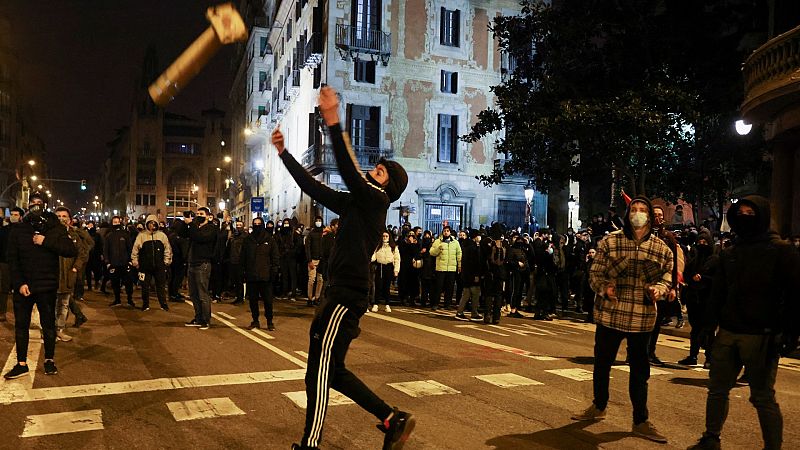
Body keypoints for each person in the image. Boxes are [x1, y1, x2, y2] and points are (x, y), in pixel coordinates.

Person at [274, 85, 414, 450]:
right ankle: (391, 418)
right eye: (377, 168)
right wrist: (285, 154)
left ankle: (310, 444)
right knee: (331, 372)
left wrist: (334, 122)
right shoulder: (358, 203)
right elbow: (314, 188)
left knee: (318, 373)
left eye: (380, 171)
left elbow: (351, 171)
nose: (372, 170)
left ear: (389, 186)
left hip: (345, 296)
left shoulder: (376, 200)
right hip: (338, 294)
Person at [689, 196, 800, 450]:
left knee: (762, 397)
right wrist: (709, 326)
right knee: (717, 390)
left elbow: (795, 295)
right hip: (728, 333)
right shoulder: (731, 253)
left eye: (751, 213)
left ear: (761, 215)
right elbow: (719, 293)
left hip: (762, 336)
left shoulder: (781, 251)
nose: (744, 218)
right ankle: (710, 438)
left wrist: (790, 333)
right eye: (741, 213)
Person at [572, 196, 673, 444]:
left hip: (642, 317)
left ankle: (640, 420)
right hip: (611, 314)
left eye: (643, 210)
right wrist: (605, 288)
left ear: (650, 216)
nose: (638, 214)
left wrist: (659, 289)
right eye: (634, 210)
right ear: (627, 214)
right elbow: (594, 274)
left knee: (640, 371)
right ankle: (599, 405)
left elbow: (667, 276)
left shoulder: (661, 249)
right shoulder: (610, 241)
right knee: (602, 363)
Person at [3, 194, 77, 379]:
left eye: (39, 204)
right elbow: (13, 258)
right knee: (21, 326)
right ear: (28, 206)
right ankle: (21, 364)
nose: (36, 206)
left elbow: (70, 250)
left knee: (48, 325)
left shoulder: (55, 227)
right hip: (24, 287)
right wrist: (19, 283)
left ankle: (49, 360)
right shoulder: (19, 229)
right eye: (33, 204)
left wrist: (46, 241)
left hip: (47, 285)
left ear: (45, 205)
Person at [678, 230, 717, 367]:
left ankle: (710, 358)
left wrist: (703, 278)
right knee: (695, 329)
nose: (702, 245)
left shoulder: (714, 259)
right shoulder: (693, 257)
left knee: (708, 329)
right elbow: (686, 273)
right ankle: (693, 355)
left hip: (708, 299)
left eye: (705, 243)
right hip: (694, 298)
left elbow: (717, 278)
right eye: (700, 242)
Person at [54, 207, 90, 342]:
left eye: (64, 216)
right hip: (52, 275)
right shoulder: (50, 234)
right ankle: (49, 331)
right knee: (50, 305)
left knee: (63, 305)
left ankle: (60, 330)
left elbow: (82, 253)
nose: (61, 219)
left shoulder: (74, 235)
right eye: (58, 216)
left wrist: (75, 267)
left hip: (68, 275)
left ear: (69, 220)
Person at [241, 217, 280, 330]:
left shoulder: (270, 239)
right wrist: (243, 272)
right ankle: (255, 320)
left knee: (268, 300)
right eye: (255, 224)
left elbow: (275, 256)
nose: (257, 226)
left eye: (259, 224)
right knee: (253, 300)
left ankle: (269, 321)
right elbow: (243, 257)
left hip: (265, 275)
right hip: (252, 275)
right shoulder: (248, 240)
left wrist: (274, 271)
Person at [131, 215, 173, 312]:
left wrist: (166, 261)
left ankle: (163, 304)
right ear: (147, 224)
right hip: (145, 267)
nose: (152, 225)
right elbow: (135, 250)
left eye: (154, 223)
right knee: (145, 287)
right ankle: (145, 304)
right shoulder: (141, 236)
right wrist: (135, 262)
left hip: (159, 266)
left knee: (161, 286)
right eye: (150, 223)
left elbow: (168, 249)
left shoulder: (162, 236)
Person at [185, 207, 217, 329]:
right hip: (192, 263)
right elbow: (184, 234)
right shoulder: (194, 228)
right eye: (197, 214)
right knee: (193, 294)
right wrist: (187, 223)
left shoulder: (211, 229)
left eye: (201, 214)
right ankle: (198, 317)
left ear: (208, 216)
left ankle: (206, 320)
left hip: (202, 264)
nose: (199, 216)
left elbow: (200, 238)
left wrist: (192, 224)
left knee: (202, 294)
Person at [429, 225, 462, 311]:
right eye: (445, 231)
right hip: (441, 268)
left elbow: (459, 254)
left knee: (449, 287)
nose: (446, 232)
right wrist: (438, 249)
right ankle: (435, 303)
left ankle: (447, 304)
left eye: (448, 231)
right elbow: (432, 252)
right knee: (438, 287)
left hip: (451, 268)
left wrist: (459, 265)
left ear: (450, 232)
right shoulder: (438, 241)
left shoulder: (455, 242)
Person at [104, 216, 134, 307]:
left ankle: (129, 299)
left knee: (128, 282)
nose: (116, 223)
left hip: (125, 263)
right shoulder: (109, 236)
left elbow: (130, 248)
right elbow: (106, 250)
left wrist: (130, 260)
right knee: (115, 283)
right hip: (114, 263)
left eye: (118, 221)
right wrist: (107, 262)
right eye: (114, 222)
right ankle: (117, 300)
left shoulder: (125, 234)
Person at [455, 229, 484, 321]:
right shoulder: (473, 247)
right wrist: (476, 275)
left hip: (466, 274)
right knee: (475, 293)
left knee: (466, 293)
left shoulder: (465, 245)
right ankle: (474, 313)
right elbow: (475, 262)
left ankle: (460, 312)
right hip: (472, 274)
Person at [0, 207, 23, 322]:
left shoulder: (24, 230)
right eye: (12, 214)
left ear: (21, 217)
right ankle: (2, 312)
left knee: (19, 289)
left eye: (16, 214)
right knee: (4, 288)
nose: (14, 216)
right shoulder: (4, 230)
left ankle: (19, 314)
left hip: (20, 264)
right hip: (5, 263)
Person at [370, 230, 400, 313]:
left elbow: (397, 259)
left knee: (387, 286)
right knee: (378, 285)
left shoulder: (393, 247)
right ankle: (376, 304)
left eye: (386, 236)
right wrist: (370, 259)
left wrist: (396, 270)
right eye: (383, 236)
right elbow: (374, 256)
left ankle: (387, 304)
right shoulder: (378, 246)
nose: (385, 238)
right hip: (380, 266)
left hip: (389, 267)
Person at [305, 216, 325, 306]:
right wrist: (309, 260)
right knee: (311, 280)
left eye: (320, 221)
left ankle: (317, 298)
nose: (318, 222)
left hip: (322, 260)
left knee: (320, 280)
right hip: (312, 260)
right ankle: (309, 298)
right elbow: (307, 247)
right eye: (316, 221)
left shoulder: (324, 233)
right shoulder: (311, 234)